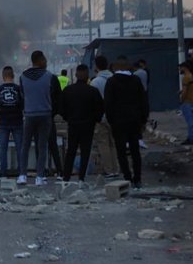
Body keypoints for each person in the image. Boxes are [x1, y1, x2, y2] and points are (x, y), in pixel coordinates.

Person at [18, 50, 61, 186]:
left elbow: (22, 95)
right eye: (45, 59)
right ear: (40, 60)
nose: (46, 62)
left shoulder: (22, 77)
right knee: (42, 146)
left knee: (25, 146)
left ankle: (22, 175)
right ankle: (39, 177)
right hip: (45, 115)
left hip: (29, 115)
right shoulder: (50, 76)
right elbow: (55, 96)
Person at [104, 56, 148, 189]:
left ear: (116, 67)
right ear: (128, 66)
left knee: (121, 151)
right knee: (135, 151)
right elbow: (143, 101)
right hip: (134, 121)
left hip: (118, 122)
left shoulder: (111, 82)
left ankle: (127, 177)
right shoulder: (136, 80)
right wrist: (143, 120)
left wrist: (111, 120)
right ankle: (138, 179)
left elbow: (108, 104)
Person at [60, 64, 104, 183]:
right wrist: (95, 120)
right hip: (88, 125)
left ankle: (66, 177)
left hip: (73, 124)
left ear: (75, 75)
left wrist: (68, 118)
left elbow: (61, 108)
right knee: (85, 151)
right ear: (87, 76)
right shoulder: (92, 91)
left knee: (71, 151)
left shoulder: (68, 90)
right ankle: (81, 178)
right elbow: (100, 108)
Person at [90, 55, 119, 177]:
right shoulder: (115, 78)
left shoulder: (95, 82)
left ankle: (109, 170)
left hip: (101, 117)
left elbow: (92, 101)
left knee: (103, 143)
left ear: (96, 66)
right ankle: (116, 168)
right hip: (115, 116)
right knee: (114, 143)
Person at [0, 66, 24, 178]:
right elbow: (22, 104)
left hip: (4, 122)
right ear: (13, 75)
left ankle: (3, 173)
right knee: (19, 148)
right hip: (17, 121)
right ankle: (21, 173)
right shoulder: (18, 88)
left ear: (3, 76)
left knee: (3, 149)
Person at [179, 61, 193, 145]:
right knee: (192, 121)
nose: (180, 69)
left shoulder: (186, 77)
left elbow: (185, 91)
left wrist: (181, 100)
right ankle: (192, 138)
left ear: (185, 67)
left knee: (190, 122)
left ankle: (191, 138)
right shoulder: (192, 76)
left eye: (181, 67)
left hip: (187, 101)